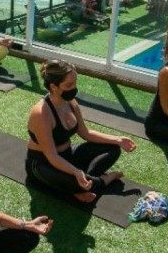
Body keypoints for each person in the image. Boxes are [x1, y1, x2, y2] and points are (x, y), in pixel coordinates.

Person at [25, 60, 135, 204]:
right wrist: (76, 172)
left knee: (113, 149)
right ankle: (104, 179)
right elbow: (52, 156)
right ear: (54, 87)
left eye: (75, 83)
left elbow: (86, 133)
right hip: (44, 163)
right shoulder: (41, 113)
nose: (74, 88)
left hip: (68, 155)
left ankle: (82, 185)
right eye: (69, 85)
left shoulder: (70, 102)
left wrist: (117, 140)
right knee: (78, 181)